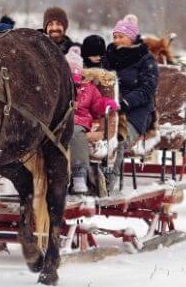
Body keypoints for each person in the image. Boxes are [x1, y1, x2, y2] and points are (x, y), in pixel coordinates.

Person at [104, 14, 159, 190]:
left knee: (117, 139)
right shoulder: (109, 56)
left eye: (121, 36)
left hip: (135, 112)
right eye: (115, 36)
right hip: (106, 109)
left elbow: (147, 89)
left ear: (132, 37)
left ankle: (108, 182)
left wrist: (125, 102)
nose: (117, 40)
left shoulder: (145, 59)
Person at [66, 46, 119, 194]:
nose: (73, 76)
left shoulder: (89, 88)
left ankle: (79, 175)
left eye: (75, 71)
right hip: (61, 120)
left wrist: (105, 104)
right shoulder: (60, 85)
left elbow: (96, 106)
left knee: (75, 132)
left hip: (80, 122)